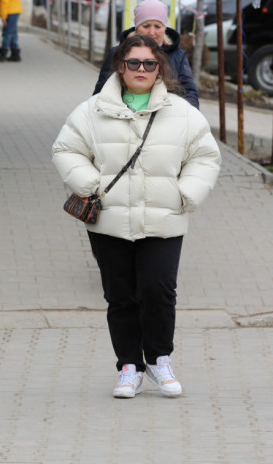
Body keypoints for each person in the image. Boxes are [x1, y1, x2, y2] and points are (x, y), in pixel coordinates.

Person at [52, 35, 220, 399]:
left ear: (160, 67)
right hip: (109, 218)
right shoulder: (91, 110)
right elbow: (67, 149)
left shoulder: (181, 112)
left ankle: (159, 360)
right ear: (120, 66)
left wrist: (187, 193)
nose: (141, 70)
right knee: (120, 295)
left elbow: (205, 156)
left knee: (159, 292)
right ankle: (129, 366)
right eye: (134, 63)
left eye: (149, 63)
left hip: (164, 219)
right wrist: (88, 182)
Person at [93, 0, 199, 108]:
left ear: (164, 28)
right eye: (146, 26)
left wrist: (188, 118)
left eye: (158, 26)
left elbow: (190, 92)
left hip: (164, 118)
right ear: (137, 27)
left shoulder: (178, 56)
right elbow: (101, 91)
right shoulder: (117, 53)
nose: (152, 32)